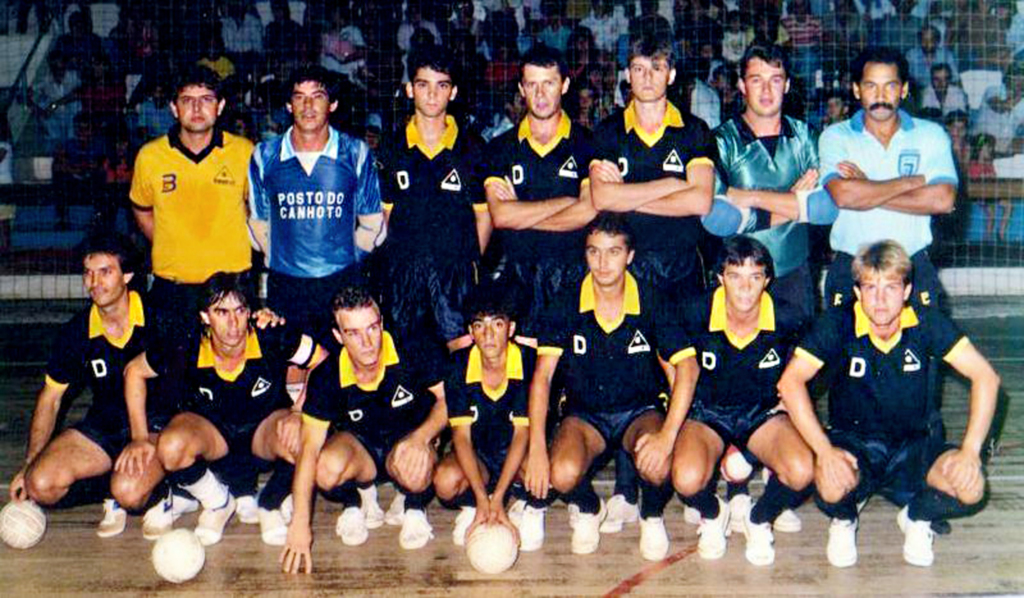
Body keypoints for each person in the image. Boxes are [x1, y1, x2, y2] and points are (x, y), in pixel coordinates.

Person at [778, 240, 1000, 568]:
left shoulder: (926, 322)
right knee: (827, 480)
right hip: (855, 444)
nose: (880, 299)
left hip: (915, 445)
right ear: (857, 291)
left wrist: (970, 451)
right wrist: (824, 450)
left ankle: (917, 516)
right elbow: (789, 381)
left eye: (891, 287)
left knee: (971, 488)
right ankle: (844, 520)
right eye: (871, 287)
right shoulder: (838, 322)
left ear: (907, 290)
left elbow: (986, 377)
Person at [698, 43, 836, 533]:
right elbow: (716, 206)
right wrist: (789, 199)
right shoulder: (722, 140)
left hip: (794, 273)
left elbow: (824, 207)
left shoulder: (807, 136)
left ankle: (778, 476)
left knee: (790, 380)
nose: (766, 89)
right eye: (756, 79)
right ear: (740, 86)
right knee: (736, 376)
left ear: (788, 84)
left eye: (775, 79)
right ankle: (735, 485)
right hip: (741, 277)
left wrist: (760, 199)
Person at [524, 213, 691, 561]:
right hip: (585, 415)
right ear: (584, 255)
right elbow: (542, 378)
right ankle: (589, 508)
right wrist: (537, 445)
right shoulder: (566, 301)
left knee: (657, 461)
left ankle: (651, 516)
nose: (602, 263)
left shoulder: (653, 299)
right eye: (594, 252)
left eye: (613, 252)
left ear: (630, 256)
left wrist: (670, 435)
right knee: (561, 472)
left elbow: (686, 368)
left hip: (640, 411)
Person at [115, 273, 323, 546]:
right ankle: (216, 502)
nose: (233, 323)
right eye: (221, 312)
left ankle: (270, 502)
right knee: (171, 445)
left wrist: (298, 411)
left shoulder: (271, 334)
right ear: (204, 316)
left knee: (304, 435)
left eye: (240, 310)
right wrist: (140, 437)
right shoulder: (186, 344)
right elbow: (133, 371)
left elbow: (323, 362)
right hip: (213, 439)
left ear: (250, 311)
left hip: (264, 434)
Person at [281, 287, 447, 575]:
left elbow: (449, 400)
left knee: (415, 467)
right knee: (324, 468)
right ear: (338, 336)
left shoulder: (413, 348)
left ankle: (413, 506)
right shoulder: (328, 375)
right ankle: (356, 501)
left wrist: (422, 437)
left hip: (407, 443)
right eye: (354, 333)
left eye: (372, 328)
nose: (368, 342)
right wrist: (299, 523)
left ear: (381, 323)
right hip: (362, 452)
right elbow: (308, 450)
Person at [669, 237, 813, 565]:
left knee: (802, 470)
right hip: (708, 413)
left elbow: (810, 369)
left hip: (761, 413)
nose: (745, 288)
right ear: (720, 278)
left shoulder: (790, 318)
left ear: (768, 280)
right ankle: (713, 513)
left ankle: (759, 519)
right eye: (735, 276)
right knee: (687, 478)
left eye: (755, 277)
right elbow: (671, 362)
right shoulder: (694, 312)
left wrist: (786, 402)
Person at [8, 234, 163, 539]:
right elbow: (50, 400)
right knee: (40, 484)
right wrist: (30, 462)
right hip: (105, 424)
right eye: (88, 273)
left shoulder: (157, 317)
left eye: (105, 272)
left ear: (127, 275)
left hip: (156, 423)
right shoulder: (76, 332)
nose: (94, 282)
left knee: (131, 493)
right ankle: (113, 492)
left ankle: (162, 492)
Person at [249, 64, 385, 348]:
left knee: (342, 370)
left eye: (317, 96)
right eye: (299, 97)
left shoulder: (355, 152)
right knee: (289, 367)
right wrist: (281, 259)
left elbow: (373, 221)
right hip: (286, 285)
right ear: (288, 105)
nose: (308, 105)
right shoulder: (265, 154)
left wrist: (347, 259)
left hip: (341, 282)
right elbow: (258, 221)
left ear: (332, 104)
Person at [819, 47, 958, 311]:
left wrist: (867, 187)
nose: (880, 96)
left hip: (912, 265)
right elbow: (844, 195)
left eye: (890, 86)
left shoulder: (931, 135)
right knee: (843, 352)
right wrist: (909, 182)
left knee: (924, 350)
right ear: (857, 90)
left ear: (904, 90)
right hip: (851, 267)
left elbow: (942, 200)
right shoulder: (836, 136)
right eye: (871, 86)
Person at [376, 49, 489, 357]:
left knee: (462, 356)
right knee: (406, 356)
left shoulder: (473, 148)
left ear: (453, 92)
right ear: (410, 89)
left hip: (455, 273)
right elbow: (386, 216)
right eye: (423, 84)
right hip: (405, 273)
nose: (432, 94)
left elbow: (484, 216)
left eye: (441, 85)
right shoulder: (391, 147)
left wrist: (467, 260)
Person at [130, 66, 254, 338]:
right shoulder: (150, 157)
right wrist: (173, 243)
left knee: (232, 373)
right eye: (187, 100)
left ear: (220, 106)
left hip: (231, 287)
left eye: (206, 99)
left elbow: (255, 213)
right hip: (174, 287)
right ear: (174, 108)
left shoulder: (245, 153)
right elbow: (142, 210)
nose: (197, 108)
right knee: (172, 376)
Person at [484, 44, 598, 339]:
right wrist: (565, 203)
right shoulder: (500, 149)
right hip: (519, 280)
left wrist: (522, 214)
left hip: (572, 276)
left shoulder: (589, 145)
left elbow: (587, 211)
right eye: (532, 85)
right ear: (521, 89)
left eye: (548, 83)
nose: (540, 94)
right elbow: (501, 215)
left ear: (565, 85)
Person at [589, 34, 715, 299]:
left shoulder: (694, 131)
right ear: (627, 74)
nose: (647, 78)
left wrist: (625, 196)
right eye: (639, 69)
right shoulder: (607, 132)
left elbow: (701, 202)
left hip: (683, 264)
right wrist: (670, 185)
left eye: (656, 69)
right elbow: (601, 198)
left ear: (671, 75)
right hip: (628, 266)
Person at [433, 287, 532, 546]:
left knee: (544, 469)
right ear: (470, 332)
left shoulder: (527, 362)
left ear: (511, 329)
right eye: (479, 326)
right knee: (445, 481)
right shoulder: (457, 366)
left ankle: (525, 505)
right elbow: (461, 438)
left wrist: (498, 497)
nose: (488, 334)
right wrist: (481, 497)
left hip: (518, 454)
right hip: (480, 459)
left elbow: (523, 434)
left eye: (497, 324)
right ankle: (477, 507)